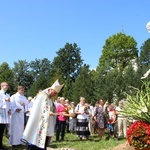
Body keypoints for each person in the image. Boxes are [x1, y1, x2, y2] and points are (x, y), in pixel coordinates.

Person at [21, 79, 64, 150]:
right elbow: (37, 110)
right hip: (39, 123)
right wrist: (47, 112)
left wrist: (54, 111)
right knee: (36, 140)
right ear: (50, 89)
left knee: (44, 142)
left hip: (47, 123)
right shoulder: (42, 96)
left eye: (56, 93)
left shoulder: (51, 98)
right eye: (54, 93)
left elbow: (51, 108)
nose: (54, 95)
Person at [0, 82, 11, 150]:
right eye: (6, 85)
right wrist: (4, 100)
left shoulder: (7, 94)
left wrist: (9, 109)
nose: (7, 86)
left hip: (5, 114)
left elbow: (9, 103)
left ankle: (1, 145)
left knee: (2, 130)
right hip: (1, 113)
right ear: (1, 86)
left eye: (7, 85)